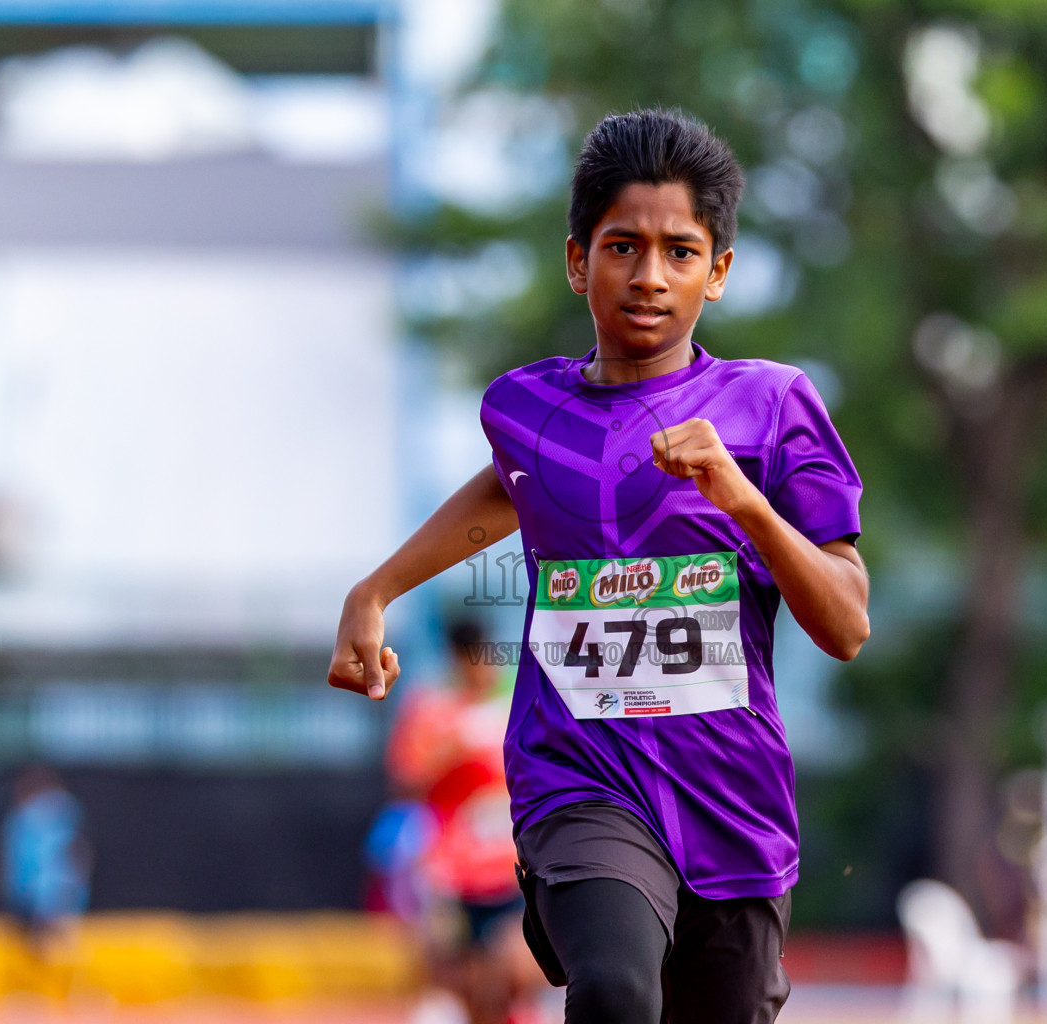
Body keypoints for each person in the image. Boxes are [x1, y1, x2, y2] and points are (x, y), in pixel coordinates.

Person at [331, 108, 869, 1024]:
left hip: (731, 805)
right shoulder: (526, 410)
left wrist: (745, 503)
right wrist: (374, 590)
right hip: (579, 781)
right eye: (623, 246)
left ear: (719, 272)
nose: (650, 276)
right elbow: (509, 487)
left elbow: (846, 623)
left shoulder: (774, 409)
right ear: (578, 261)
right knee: (616, 992)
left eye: (681, 251)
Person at [382, 620, 544, 1024]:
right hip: (451, 870)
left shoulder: (514, 703)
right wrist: (452, 748)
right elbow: (406, 779)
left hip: (509, 868)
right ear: (456, 659)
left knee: (511, 971)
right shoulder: (433, 711)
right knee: (451, 974)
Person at [0, 765, 91, 997]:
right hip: (51, 889)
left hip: (43, 890)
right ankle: (70, 992)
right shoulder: (53, 815)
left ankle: (48, 992)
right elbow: (78, 851)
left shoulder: (31, 818)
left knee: (48, 945)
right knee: (57, 945)